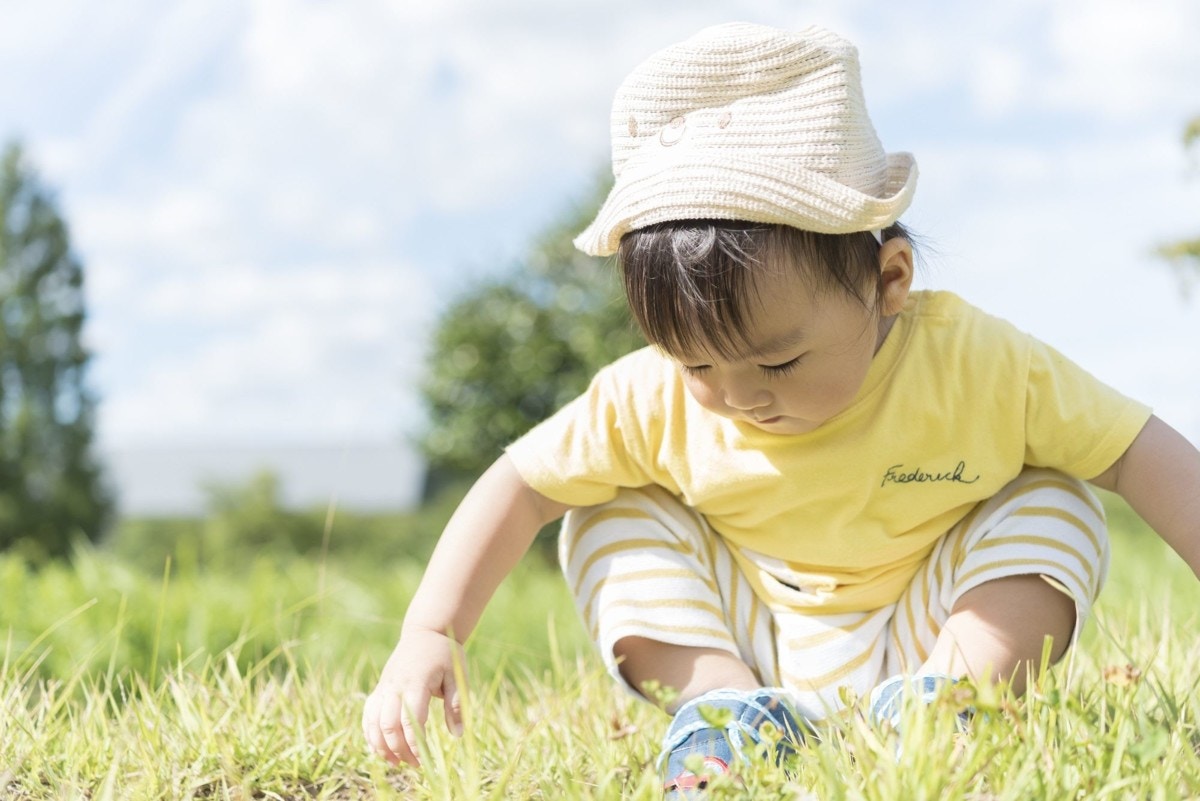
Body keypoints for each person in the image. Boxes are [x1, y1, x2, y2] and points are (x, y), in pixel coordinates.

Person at [362, 22, 1200, 794]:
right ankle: (731, 716)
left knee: (1056, 502)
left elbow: (1137, 451)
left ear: (889, 281)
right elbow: (522, 484)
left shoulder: (979, 364)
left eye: (778, 359)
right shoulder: (651, 395)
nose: (737, 395)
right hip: (748, 637)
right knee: (604, 520)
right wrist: (432, 630)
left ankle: (951, 707)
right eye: (696, 360)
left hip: (932, 628)